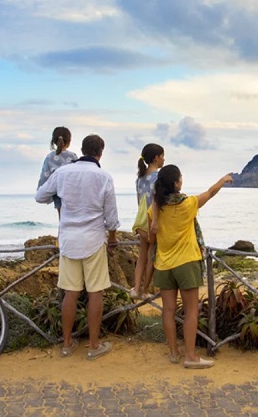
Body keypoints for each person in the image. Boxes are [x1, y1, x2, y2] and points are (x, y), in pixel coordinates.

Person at [35, 134, 119, 361]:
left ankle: (67, 343)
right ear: (100, 152)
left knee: (70, 293)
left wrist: (60, 198)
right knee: (95, 293)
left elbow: (40, 196)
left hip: (69, 240)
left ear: (81, 149)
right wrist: (112, 238)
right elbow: (111, 216)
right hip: (93, 240)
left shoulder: (63, 173)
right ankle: (93, 345)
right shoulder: (103, 177)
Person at [150, 166, 233, 369]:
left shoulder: (154, 208)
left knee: (168, 311)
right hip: (186, 262)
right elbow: (210, 193)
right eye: (181, 178)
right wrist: (222, 180)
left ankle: (173, 352)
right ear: (177, 183)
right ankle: (191, 356)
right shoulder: (188, 204)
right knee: (191, 311)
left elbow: (151, 237)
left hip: (163, 264)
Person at [130, 143, 165, 299]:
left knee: (141, 255)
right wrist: (156, 221)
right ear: (156, 158)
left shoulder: (140, 179)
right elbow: (157, 201)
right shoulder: (158, 177)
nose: (164, 159)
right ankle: (144, 290)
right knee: (151, 255)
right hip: (152, 220)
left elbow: (140, 202)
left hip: (141, 220)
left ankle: (136, 289)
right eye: (163, 156)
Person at [37, 126, 78, 218]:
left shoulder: (50, 157)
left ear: (53, 141)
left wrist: (41, 189)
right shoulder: (73, 156)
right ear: (69, 141)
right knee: (73, 216)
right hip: (72, 191)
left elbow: (45, 175)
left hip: (58, 191)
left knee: (62, 218)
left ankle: (63, 231)